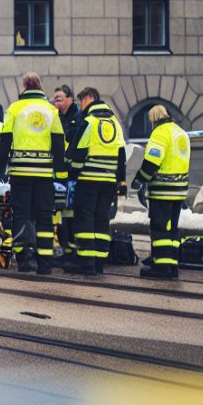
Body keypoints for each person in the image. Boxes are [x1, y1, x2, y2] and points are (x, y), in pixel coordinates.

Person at [0, 72, 65, 275]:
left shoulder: (15, 109)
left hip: (20, 172)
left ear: (24, 86)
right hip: (44, 174)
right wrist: (61, 173)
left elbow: (5, 139)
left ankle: (24, 259)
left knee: (22, 214)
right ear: (40, 87)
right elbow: (59, 142)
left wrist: (0, 169)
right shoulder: (51, 110)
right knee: (44, 216)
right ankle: (45, 262)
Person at [65, 88, 126, 276]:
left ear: (90, 101)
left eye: (82, 101)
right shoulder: (115, 123)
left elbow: (78, 152)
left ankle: (86, 263)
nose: (81, 106)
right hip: (108, 182)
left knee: (85, 221)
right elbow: (121, 154)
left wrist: (70, 169)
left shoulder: (89, 122)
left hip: (88, 180)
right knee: (102, 221)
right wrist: (121, 181)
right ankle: (99, 263)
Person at [133, 104, 191, 280]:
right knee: (172, 230)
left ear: (152, 119)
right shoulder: (180, 132)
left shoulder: (160, 133)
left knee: (160, 229)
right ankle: (171, 264)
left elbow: (152, 161)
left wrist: (139, 179)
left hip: (163, 190)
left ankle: (162, 267)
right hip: (179, 190)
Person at [51, 84, 82, 256]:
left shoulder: (77, 117)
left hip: (71, 172)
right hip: (56, 171)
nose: (56, 103)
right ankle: (62, 244)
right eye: (54, 99)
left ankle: (71, 246)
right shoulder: (55, 117)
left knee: (70, 211)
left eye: (59, 99)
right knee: (57, 210)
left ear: (70, 99)